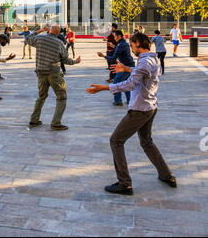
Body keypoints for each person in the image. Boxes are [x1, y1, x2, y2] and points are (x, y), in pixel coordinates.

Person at [86, 32, 177, 195]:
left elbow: (129, 84)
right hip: (151, 107)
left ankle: (125, 183)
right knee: (147, 142)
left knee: (116, 141)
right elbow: (141, 72)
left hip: (139, 110)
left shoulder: (143, 62)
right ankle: (167, 175)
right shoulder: (153, 58)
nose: (131, 49)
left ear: (139, 44)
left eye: (132, 45)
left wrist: (104, 88)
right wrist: (127, 68)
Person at [26, 24, 81, 131]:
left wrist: (39, 30)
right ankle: (56, 122)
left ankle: (34, 120)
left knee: (41, 96)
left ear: (49, 30)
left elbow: (28, 38)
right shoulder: (59, 43)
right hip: (54, 73)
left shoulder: (40, 38)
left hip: (41, 72)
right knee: (62, 97)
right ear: (58, 33)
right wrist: (75, 61)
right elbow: (66, 60)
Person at [98, 30, 135, 106]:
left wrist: (103, 56)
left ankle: (118, 101)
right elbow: (121, 51)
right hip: (130, 65)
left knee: (116, 83)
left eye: (115, 36)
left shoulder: (120, 45)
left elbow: (113, 58)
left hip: (124, 67)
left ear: (119, 36)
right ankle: (130, 99)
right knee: (126, 83)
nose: (114, 38)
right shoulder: (124, 43)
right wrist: (114, 47)